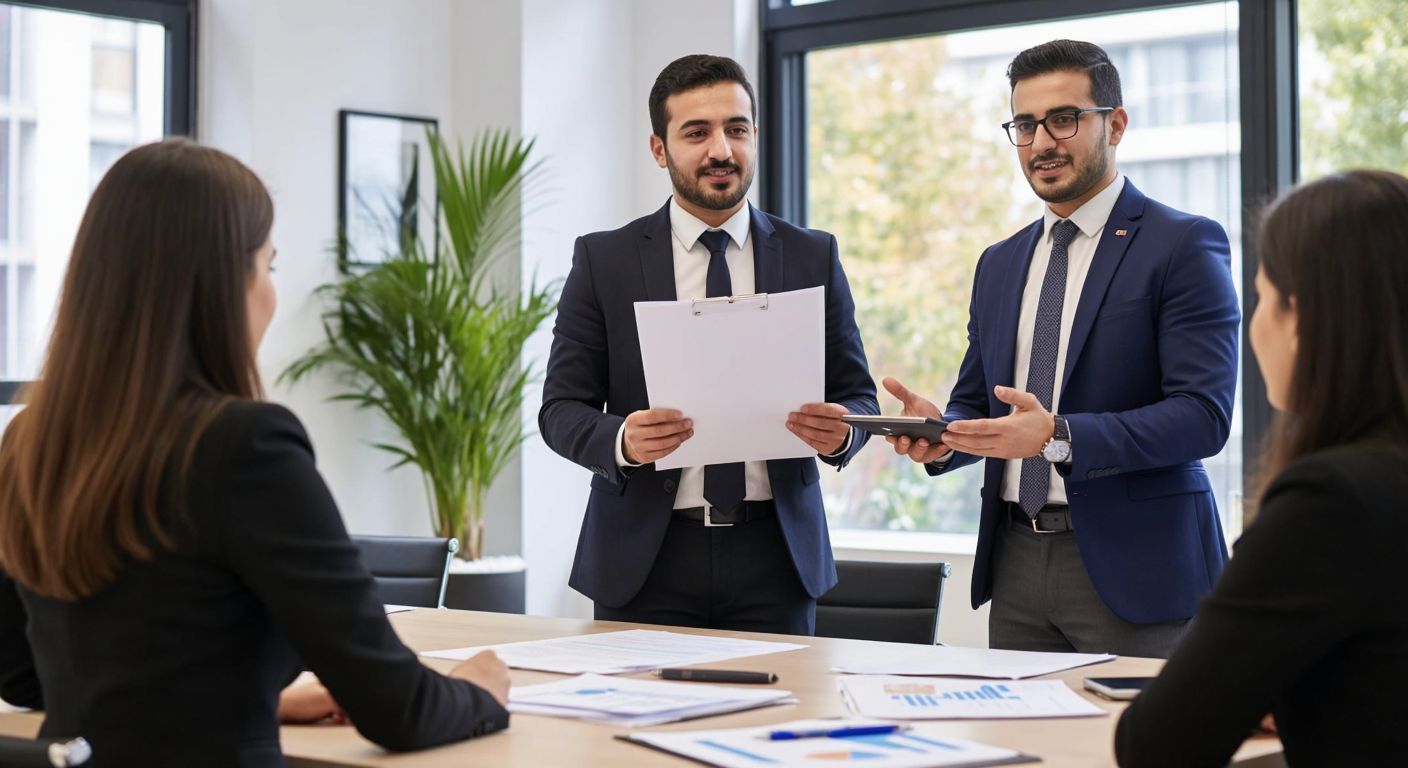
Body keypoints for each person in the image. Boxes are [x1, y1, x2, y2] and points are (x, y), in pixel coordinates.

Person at [0, 139, 511, 766]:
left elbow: (25, 677)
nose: (271, 293)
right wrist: (480, 693)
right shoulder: (244, 446)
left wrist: (251, 696)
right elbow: (396, 706)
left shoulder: (29, 442)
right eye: (268, 266)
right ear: (222, 282)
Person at [884, 39, 1239, 657]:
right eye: (1025, 125)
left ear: (1116, 123)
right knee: (1025, 750)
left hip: (1139, 567)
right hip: (1016, 562)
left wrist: (1057, 437)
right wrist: (942, 434)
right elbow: (981, 406)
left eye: (1064, 119)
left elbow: (1203, 418)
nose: (1042, 142)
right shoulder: (999, 263)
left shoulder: (1183, 244)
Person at [538, 54, 878, 635]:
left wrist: (845, 431)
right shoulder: (604, 260)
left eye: (736, 129)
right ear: (659, 149)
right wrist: (621, 438)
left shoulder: (811, 254)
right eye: (697, 133)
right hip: (644, 561)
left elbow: (858, 396)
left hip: (778, 559)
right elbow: (559, 411)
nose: (721, 149)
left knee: (780, 725)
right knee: (633, 726)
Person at [1114, 170, 1408, 765]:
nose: (1254, 326)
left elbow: (1158, 743)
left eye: (1263, 298)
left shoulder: (1329, 502)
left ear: (1300, 318)